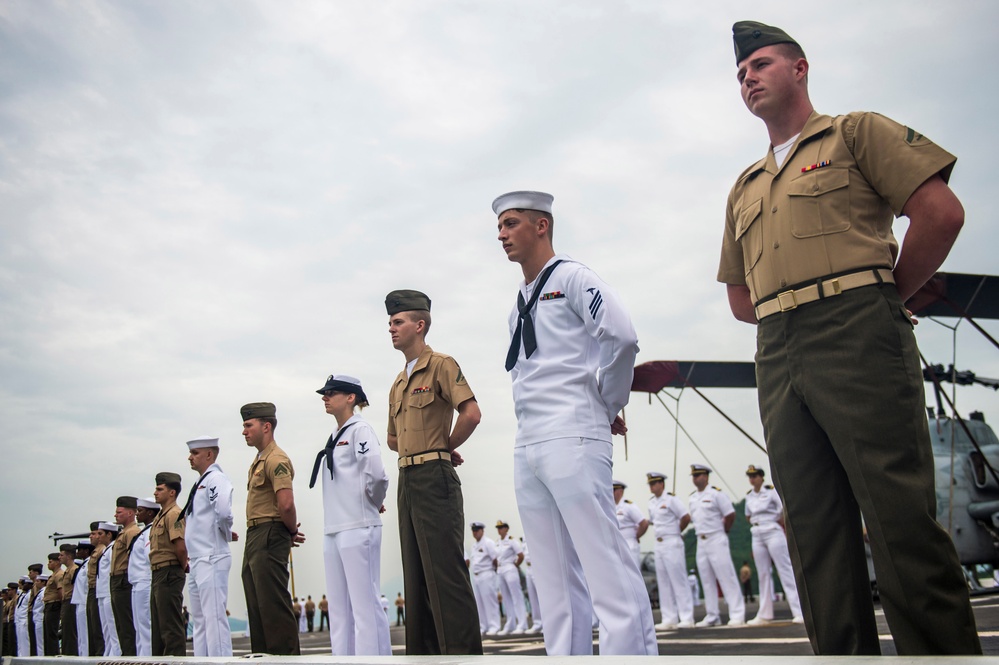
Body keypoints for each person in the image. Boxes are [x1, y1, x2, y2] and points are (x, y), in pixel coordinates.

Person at [718, 20, 981, 655]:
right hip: (778, 347)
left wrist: (885, 294)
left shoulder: (855, 133)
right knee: (813, 532)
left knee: (898, 522)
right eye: (740, 73)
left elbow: (941, 212)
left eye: (760, 64)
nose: (747, 77)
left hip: (857, 328)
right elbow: (737, 297)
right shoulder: (745, 185)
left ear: (799, 69)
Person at [494, 190, 656, 656]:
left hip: (573, 432)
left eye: (511, 223)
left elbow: (622, 337)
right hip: (530, 442)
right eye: (500, 227)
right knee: (553, 578)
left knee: (605, 564)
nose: (502, 235)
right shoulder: (519, 302)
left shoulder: (573, 277)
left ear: (541, 226)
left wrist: (606, 403)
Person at [385, 289, 483, 655]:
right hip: (407, 479)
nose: (391, 329)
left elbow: (471, 413)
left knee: (445, 575)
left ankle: (464, 658)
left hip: (433, 476)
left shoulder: (441, 364)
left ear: (419, 325)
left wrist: (444, 446)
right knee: (416, 578)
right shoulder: (398, 381)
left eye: (398, 322)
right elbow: (393, 439)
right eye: (390, 323)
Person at [311, 374, 391, 655]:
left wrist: (373, 502)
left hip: (358, 526)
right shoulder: (336, 434)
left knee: (365, 607)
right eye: (325, 393)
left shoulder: (360, 430)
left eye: (331, 392)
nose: (325, 397)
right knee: (339, 612)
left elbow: (377, 475)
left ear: (350, 397)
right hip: (334, 528)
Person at [240, 401, 304, 655]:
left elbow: (286, 504)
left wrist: (288, 531)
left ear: (266, 426)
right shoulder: (260, 459)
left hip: (268, 532)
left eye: (248, 425)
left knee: (273, 606)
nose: (244, 431)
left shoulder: (275, 458)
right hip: (256, 534)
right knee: (258, 606)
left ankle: (286, 660)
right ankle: (263, 658)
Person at [183, 436, 236, 657]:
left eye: (195, 453)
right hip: (198, 559)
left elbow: (223, 511)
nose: (190, 457)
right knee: (201, 623)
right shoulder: (200, 482)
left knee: (214, 619)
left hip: (211, 556)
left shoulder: (216, 478)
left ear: (209, 455)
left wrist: (223, 534)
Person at [744, 464, 803, 624]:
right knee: (763, 573)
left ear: (762, 477)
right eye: (750, 476)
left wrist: (777, 523)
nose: (752, 479)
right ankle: (764, 613)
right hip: (757, 533)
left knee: (785, 569)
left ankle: (799, 610)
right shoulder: (749, 496)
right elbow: (748, 516)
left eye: (755, 475)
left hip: (772, 530)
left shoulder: (770, 491)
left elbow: (783, 509)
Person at [688, 464, 745, 626]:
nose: (695, 478)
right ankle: (712, 615)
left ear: (706, 476)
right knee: (706, 579)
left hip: (716, 537)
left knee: (726, 576)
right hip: (701, 540)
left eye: (698, 475)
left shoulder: (716, 494)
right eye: (693, 475)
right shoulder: (692, 498)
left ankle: (737, 613)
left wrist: (724, 530)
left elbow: (730, 514)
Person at [646, 471, 694, 629]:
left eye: (654, 483)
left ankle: (687, 617)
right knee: (663, 582)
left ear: (662, 484)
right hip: (659, 544)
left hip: (672, 541)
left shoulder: (672, 499)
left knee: (678, 580)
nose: (652, 487)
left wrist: (677, 531)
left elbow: (686, 517)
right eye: (650, 484)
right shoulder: (651, 503)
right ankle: (669, 618)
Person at [149, 472, 187, 656]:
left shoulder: (174, 514)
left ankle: (176, 660)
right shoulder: (160, 516)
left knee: (170, 625)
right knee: (158, 626)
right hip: (158, 572)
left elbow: (180, 546)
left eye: (159, 489)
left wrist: (181, 565)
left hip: (169, 571)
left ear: (172, 492)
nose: (155, 492)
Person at [110, 496, 140, 655]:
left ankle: (130, 656)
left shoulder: (132, 532)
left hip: (123, 580)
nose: (115, 515)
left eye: (119, 512)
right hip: (116, 580)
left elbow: (134, 558)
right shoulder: (124, 532)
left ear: (130, 513)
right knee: (120, 624)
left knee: (126, 624)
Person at [130, 498, 158, 656]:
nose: (137, 514)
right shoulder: (144, 531)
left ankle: (147, 657)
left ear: (150, 512)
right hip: (137, 582)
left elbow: (149, 555)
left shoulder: (150, 531)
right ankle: (142, 657)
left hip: (145, 580)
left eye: (140, 511)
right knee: (139, 626)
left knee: (145, 625)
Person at [494, 520, 528, 635]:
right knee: (506, 598)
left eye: (502, 527)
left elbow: (521, 555)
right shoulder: (497, 542)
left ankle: (522, 624)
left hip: (510, 568)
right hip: (501, 570)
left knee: (516, 596)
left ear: (507, 528)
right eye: (498, 527)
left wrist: (516, 565)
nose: (500, 529)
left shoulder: (512, 541)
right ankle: (511, 624)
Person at [468, 522, 500, 636]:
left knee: (490, 601)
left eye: (477, 530)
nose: (475, 532)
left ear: (482, 530)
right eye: (473, 530)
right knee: (480, 602)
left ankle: (494, 625)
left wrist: (494, 572)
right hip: (476, 576)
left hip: (487, 574)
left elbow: (495, 559)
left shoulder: (488, 543)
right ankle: (483, 626)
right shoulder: (474, 545)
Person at [613, 481, 648, 569]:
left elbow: (644, 523)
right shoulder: (612, 507)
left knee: (632, 573)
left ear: (620, 491)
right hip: (617, 543)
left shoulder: (628, 506)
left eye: (613, 490)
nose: (611, 492)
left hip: (629, 543)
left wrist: (635, 536)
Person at [71, 542, 94, 656]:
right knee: (81, 633)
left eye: (79, 550)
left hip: (84, 601)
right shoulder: (83, 564)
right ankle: (82, 655)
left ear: (86, 551)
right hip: (79, 601)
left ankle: (86, 656)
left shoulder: (89, 563)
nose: (77, 552)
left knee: (85, 633)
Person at [85, 522, 105, 655]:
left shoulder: (102, 550)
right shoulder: (95, 551)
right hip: (92, 589)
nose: (91, 536)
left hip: (98, 588)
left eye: (94, 533)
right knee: (92, 626)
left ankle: (100, 654)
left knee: (98, 626)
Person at [57, 543, 79, 654]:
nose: (59, 557)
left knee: (70, 631)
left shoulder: (74, 570)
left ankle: (71, 654)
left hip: (71, 602)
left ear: (69, 556)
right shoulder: (67, 570)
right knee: (65, 630)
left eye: (61, 555)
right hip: (66, 602)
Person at [42, 552, 63, 655]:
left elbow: (60, 591)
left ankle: (53, 655)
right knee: (47, 632)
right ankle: (48, 654)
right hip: (48, 605)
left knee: (52, 633)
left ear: (57, 562)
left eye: (50, 562)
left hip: (54, 605)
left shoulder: (59, 574)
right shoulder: (53, 575)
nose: (48, 564)